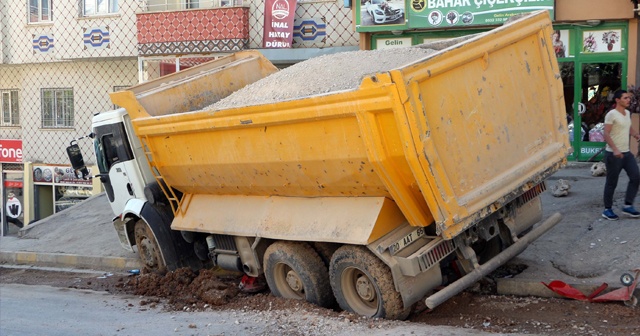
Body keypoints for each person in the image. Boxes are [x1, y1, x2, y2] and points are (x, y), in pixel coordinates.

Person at [602, 90, 640, 220]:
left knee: (636, 177)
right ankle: (607, 209)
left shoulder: (627, 113)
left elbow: (627, 126)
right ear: (617, 100)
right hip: (613, 154)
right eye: (625, 98)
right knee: (612, 182)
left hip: (626, 153)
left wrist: (635, 134)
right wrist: (615, 149)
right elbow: (606, 134)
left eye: (629, 98)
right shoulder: (611, 114)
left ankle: (628, 206)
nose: (628, 100)